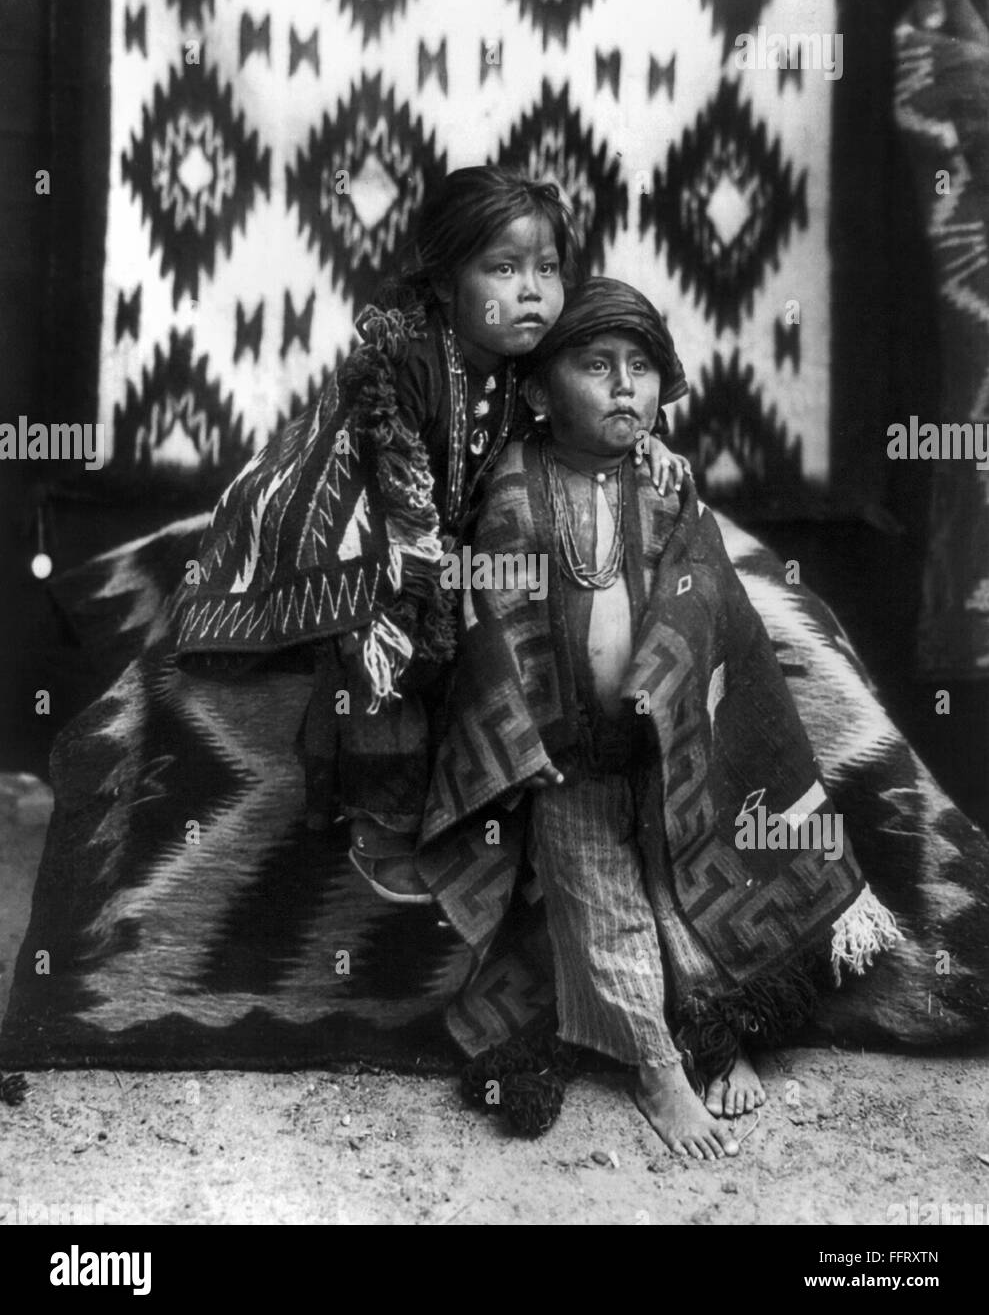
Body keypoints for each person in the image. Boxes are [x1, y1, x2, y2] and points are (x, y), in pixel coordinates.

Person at [414, 278, 902, 1160]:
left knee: (686, 898)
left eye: (640, 368)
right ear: (535, 389)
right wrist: (519, 742)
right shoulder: (515, 490)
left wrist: (668, 688)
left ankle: (718, 1036)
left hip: (667, 747)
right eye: (595, 366)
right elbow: (491, 628)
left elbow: (708, 605)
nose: (623, 386)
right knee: (603, 909)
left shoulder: (667, 488)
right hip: (564, 758)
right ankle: (654, 1069)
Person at [172, 170, 687, 904]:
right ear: (446, 283)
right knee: (387, 643)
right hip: (367, 516)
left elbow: (601, 393)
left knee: (523, 604)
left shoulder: (528, 357)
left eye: (547, 269)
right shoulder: (406, 358)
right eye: (503, 270)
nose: (532, 291)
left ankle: (502, 793)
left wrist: (650, 442)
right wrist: (418, 572)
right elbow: (375, 473)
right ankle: (379, 818)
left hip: (450, 524)